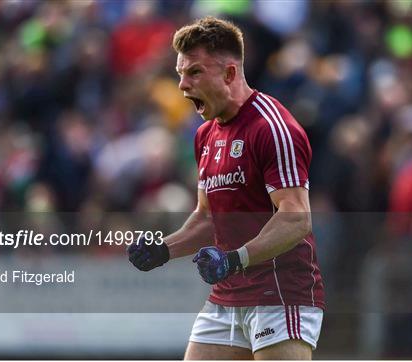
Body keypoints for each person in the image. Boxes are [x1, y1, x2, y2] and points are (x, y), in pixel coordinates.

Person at [128, 16, 324, 360]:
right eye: (180, 74)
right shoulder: (205, 135)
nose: (182, 86)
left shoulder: (271, 128)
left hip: (279, 294)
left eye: (195, 73)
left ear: (230, 73)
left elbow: (296, 217)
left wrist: (235, 259)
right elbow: (207, 219)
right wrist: (163, 250)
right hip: (228, 294)